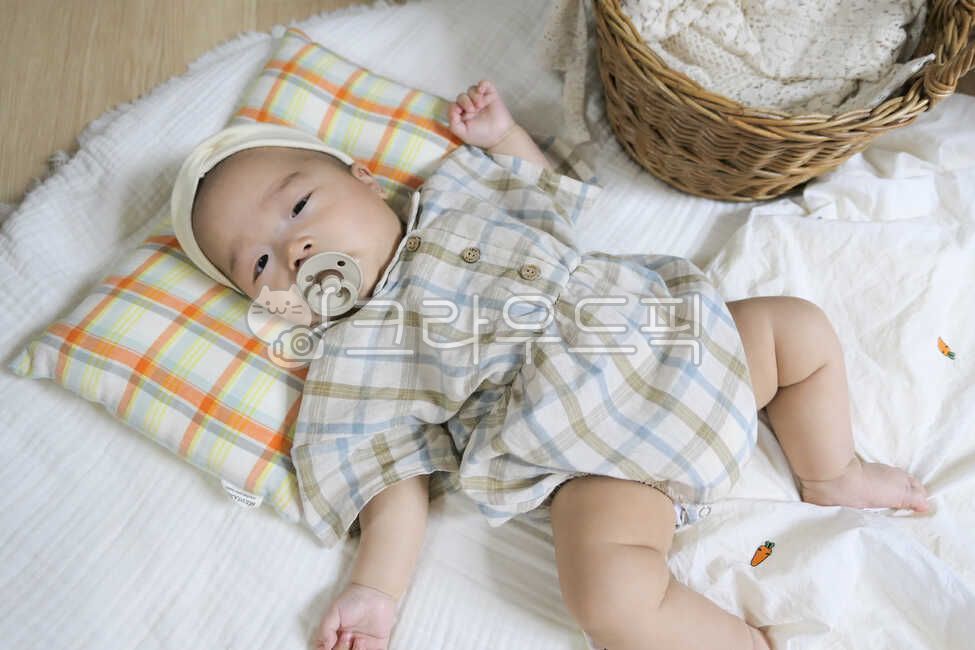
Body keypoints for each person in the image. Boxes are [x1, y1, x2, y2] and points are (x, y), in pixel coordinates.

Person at [171, 80, 930, 650]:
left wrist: (501, 136)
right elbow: (390, 487)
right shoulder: (352, 359)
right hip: (594, 458)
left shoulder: (459, 196)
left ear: (366, 183)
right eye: (261, 261)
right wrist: (373, 593)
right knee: (607, 594)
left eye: (298, 207)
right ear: (273, 306)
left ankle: (832, 470)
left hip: (678, 339)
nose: (295, 249)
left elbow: (538, 191)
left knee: (798, 330)